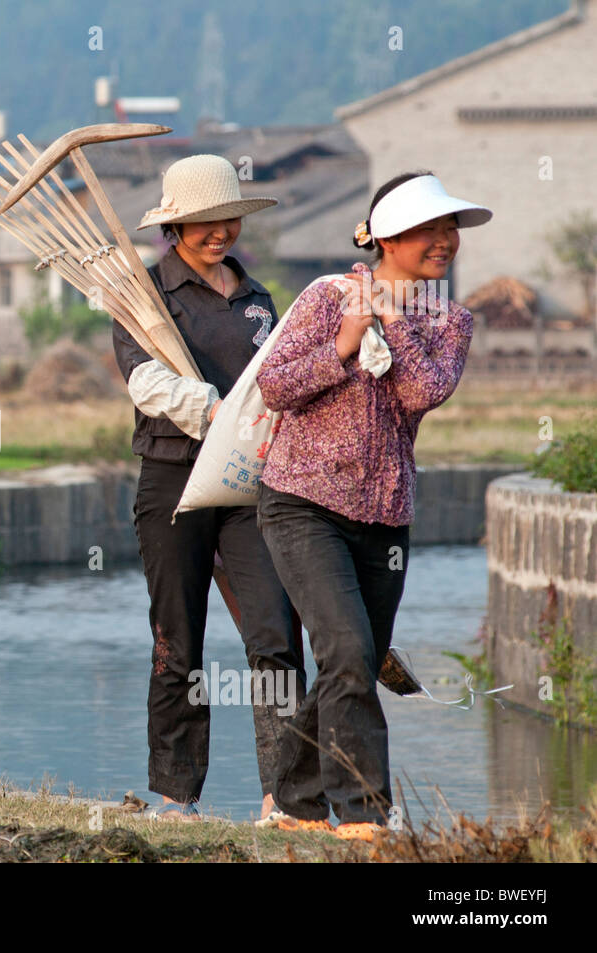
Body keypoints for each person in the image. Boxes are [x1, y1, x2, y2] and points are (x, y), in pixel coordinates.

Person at [254, 171, 491, 841]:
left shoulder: (450, 320)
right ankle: (365, 817)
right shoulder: (328, 297)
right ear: (386, 238)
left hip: (385, 519)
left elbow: (424, 392)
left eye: (451, 230)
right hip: (301, 502)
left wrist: (391, 320)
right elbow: (275, 384)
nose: (446, 241)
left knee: (349, 659)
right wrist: (342, 343)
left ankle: (295, 803)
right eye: (430, 229)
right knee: (352, 650)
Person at [114, 154, 306, 820]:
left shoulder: (257, 300)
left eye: (227, 219)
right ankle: (176, 794)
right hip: (173, 476)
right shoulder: (145, 295)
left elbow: (281, 381)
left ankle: (287, 796)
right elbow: (145, 383)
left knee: (275, 631)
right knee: (177, 639)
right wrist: (218, 407)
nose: (218, 232)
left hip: (248, 483)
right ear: (175, 227)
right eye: (202, 224)